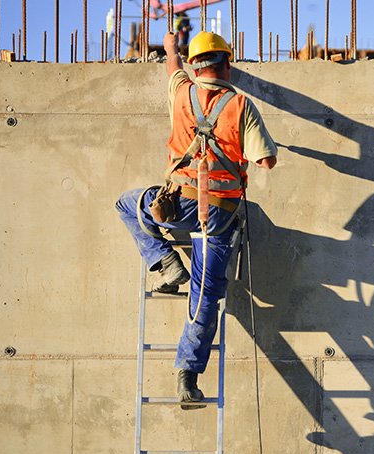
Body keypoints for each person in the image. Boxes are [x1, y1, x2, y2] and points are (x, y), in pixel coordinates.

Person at [115, 31, 278, 407]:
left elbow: (173, 67)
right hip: (218, 215)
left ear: (194, 65)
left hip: (177, 207)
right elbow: (266, 160)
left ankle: (166, 263)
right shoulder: (240, 105)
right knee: (205, 297)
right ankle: (187, 376)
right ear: (226, 64)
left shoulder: (181, 92)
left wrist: (171, 48)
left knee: (128, 205)